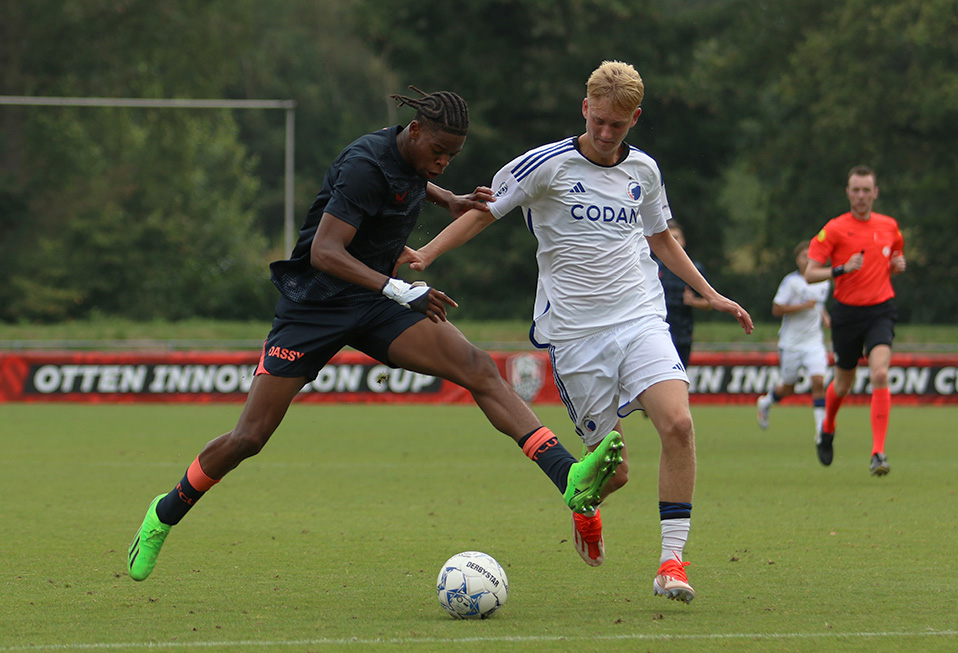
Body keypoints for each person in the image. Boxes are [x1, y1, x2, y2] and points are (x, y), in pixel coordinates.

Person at [126, 87, 624, 582]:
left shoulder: (415, 160)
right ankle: (163, 514)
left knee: (476, 367)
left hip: (375, 302)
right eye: (438, 152)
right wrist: (399, 289)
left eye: (453, 156)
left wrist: (448, 198)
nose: (443, 163)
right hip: (314, 307)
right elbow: (325, 251)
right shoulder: (364, 164)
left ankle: (567, 475)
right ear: (413, 130)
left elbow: (411, 179)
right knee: (249, 437)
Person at [398, 61, 753, 604]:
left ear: (635, 119)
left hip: (640, 318)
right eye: (599, 121)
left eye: (618, 125)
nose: (606, 134)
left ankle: (671, 564)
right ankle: (583, 503)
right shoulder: (544, 166)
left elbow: (660, 239)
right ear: (585, 108)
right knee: (614, 472)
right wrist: (425, 252)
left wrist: (711, 293)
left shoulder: (646, 173)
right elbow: (482, 213)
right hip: (576, 335)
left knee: (678, 424)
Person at [804, 165, 906, 476]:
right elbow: (810, 273)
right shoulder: (834, 229)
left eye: (867, 190)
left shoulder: (890, 226)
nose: (861, 196)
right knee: (844, 384)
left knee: (879, 374)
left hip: (880, 310)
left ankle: (878, 453)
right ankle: (828, 426)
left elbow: (895, 257)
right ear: (848, 192)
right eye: (856, 190)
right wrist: (842, 269)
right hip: (847, 313)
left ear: (875, 193)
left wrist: (898, 265)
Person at [756, 240, 831, 440]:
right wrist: (803, 306)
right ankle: (766, 402)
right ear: (797, 260)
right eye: (804, 256)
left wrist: (824, 316)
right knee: (788, 387)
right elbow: (777, 309)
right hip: (791, 343)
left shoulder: (824, 281)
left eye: (811, 255)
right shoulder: (791, 282)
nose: (808, 260)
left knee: (818, 382)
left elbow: (819, 304)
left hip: (814, 341)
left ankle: (820, 431)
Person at [657, 221, 711, 368]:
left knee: (680, 378)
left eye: (677, 238)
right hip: (659, 334)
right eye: (671, 238)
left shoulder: (694, 269)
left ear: (683, 241)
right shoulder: (655, 268)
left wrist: (693, 302)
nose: (674, 242)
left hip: (683, 336)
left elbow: (709, 303)